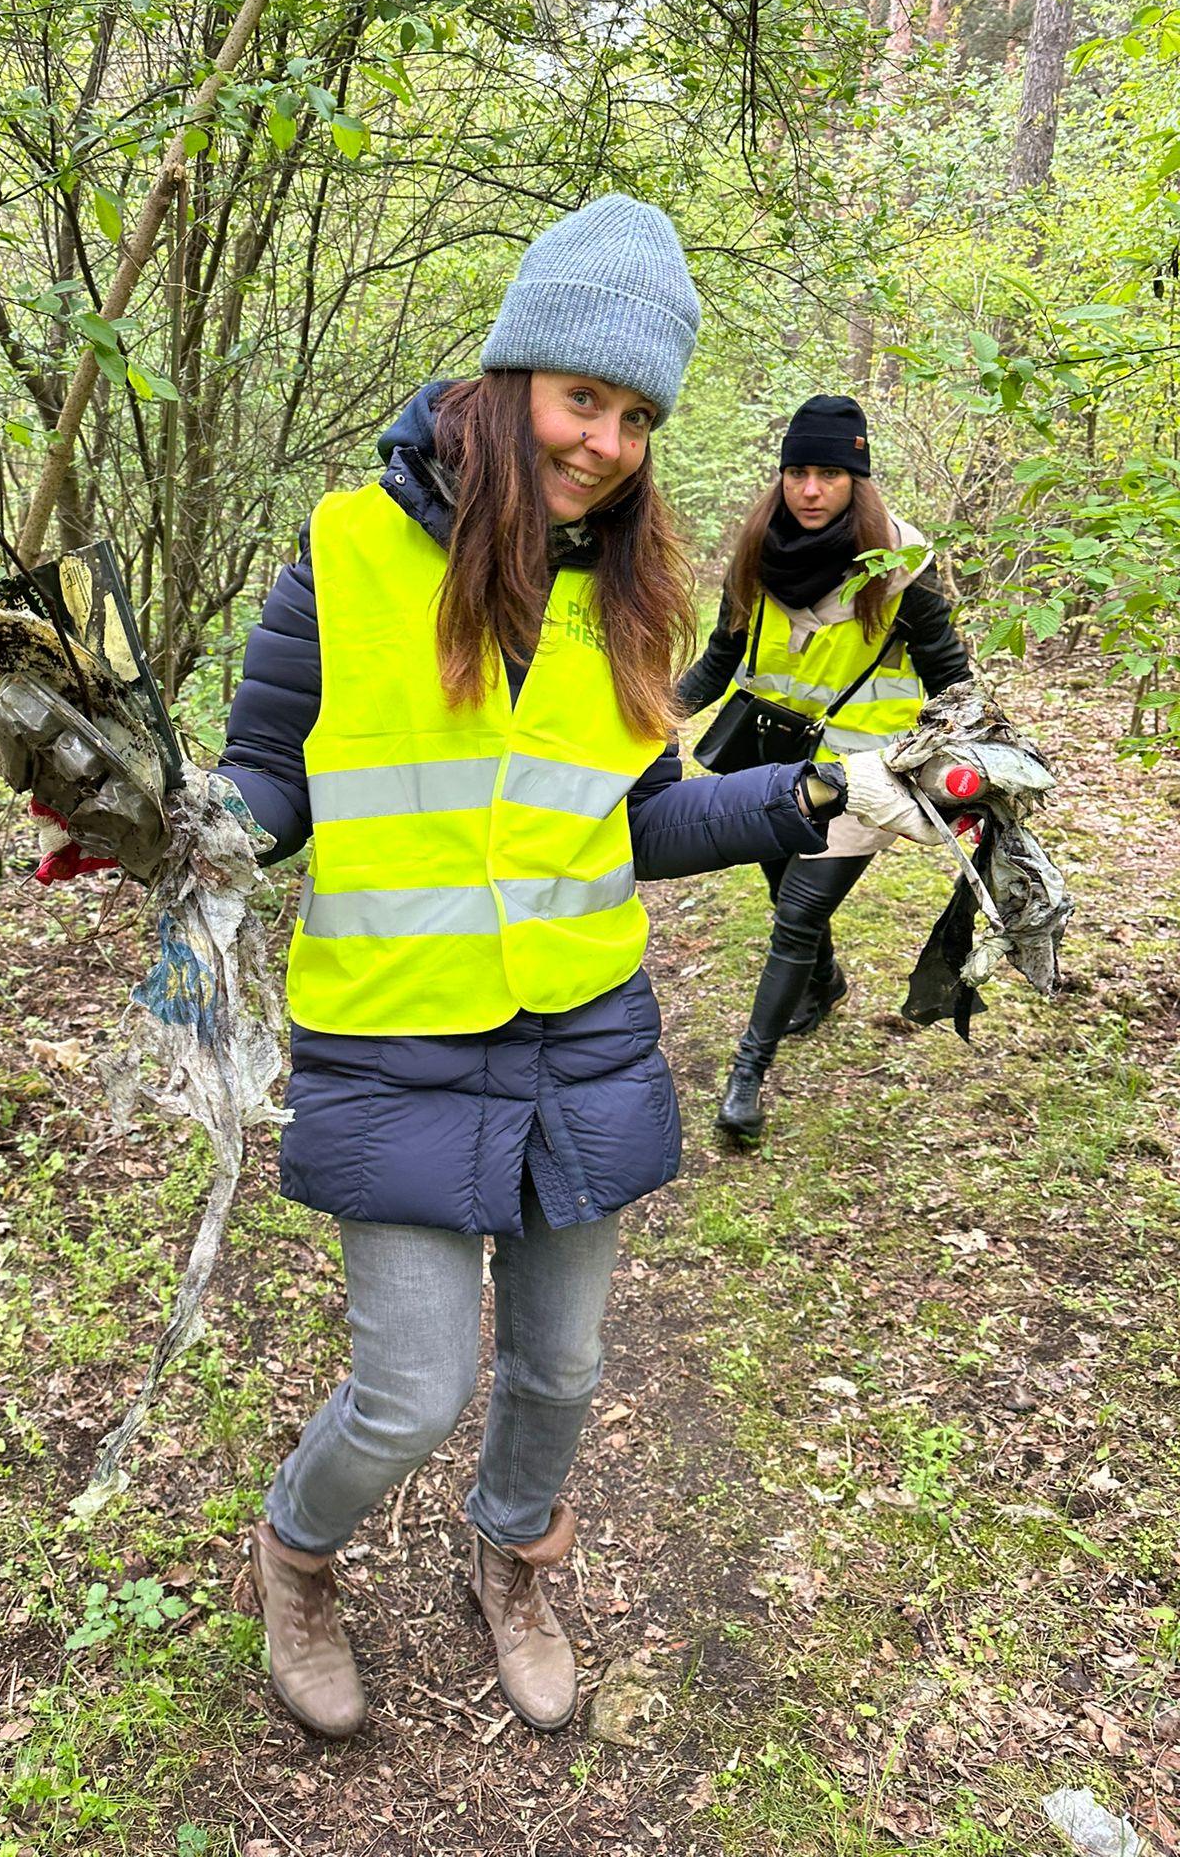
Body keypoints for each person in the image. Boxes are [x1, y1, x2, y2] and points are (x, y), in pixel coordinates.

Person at [215, 204, 927, 1740]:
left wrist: (831, 797)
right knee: (411, 1390)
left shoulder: (629, 591)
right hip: (395, 1032)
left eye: (636, 416)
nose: (605, 442)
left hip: (579, 1035)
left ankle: (512, 1559)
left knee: (561, 1366)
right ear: (512, 376)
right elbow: (266, 779)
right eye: (582, 397)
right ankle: (296, 1555)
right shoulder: (346, 551)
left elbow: (644, 817)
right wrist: (175, 824)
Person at [676, 394, 973, 1146]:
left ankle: (746, 1079)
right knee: (786, 893)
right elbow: (721, 660)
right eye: (797, 472)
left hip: (861, 775)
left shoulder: (900, 573)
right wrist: (648, 713)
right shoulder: (756, 556)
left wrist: (973, 764)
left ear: (857, 481)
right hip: (766, 761)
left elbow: (951, 678)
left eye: (830, 474)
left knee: (799, 915)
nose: (810, 490)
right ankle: (825, 982)